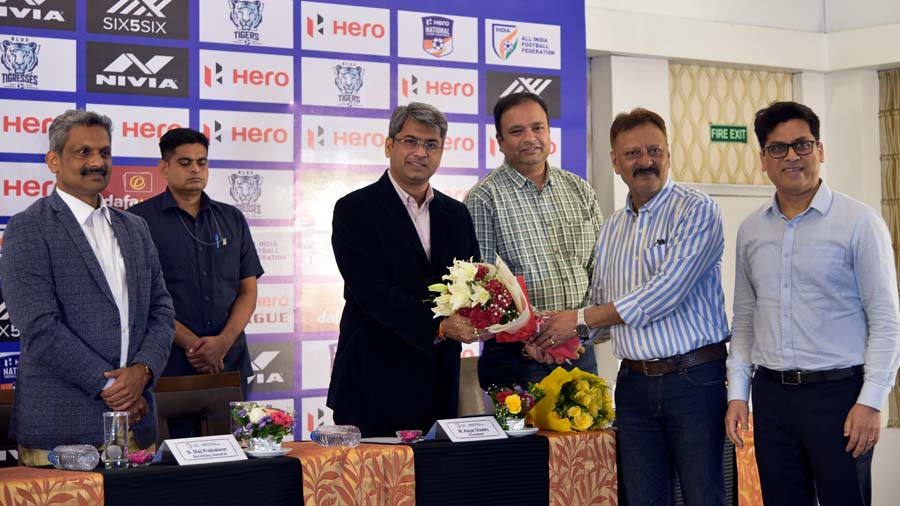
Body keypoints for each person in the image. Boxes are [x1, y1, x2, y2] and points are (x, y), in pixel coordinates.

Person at [536, 107, 731, 505]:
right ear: (614, 161)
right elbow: (604, 312)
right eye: (633, 154)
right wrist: (558, 338)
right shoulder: (611, 227)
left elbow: (665, 293)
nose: (645, 162)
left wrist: (579, 319)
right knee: (641, 499)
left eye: (654, 151)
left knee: (702, 496)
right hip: (634, 386)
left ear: (668, 153)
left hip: (693, 381)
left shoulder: (697, 210)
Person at [725, 101, 900, 506]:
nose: (792, 157)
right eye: (778, 148)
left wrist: (871, 401)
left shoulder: (859, 223)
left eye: (802, 145)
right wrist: (738, 393)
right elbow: (746, 319)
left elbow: (886, 320)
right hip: (771, 398)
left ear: (820, 150)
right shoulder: (751, 230)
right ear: (763, 159)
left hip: (839, 397)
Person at [0, 109, 174, 465]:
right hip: (61, 433)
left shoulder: (135, 228)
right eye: (83, 152)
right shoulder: (28, 228)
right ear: (54, 160)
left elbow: (162, 309)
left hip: (137, 426)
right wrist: (114, 387)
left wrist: (142, 372)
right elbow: (40, 327)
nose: (97, 162)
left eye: (104, 153)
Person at [328, 102, 481, 437]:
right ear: (389, 145)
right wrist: (440, 326)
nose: (420, 152)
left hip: (439, 382)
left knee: (436, 486)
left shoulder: (457, 215)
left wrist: (487, 316)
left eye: (430, 144)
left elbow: (471, 284)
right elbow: (371, 293)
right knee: (369, 487)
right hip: (372, 382)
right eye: (410, 141)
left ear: (441, 151)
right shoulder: (354, 210)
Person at [129, 128, 263, 438]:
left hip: (229, 365)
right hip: (166, 365)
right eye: (185, 162)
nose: (195, 170)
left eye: (202, 163)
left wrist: (222, 343)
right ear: (164, 168)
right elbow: (141, 299)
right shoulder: (138, 222)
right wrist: (194, 346)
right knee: (169, 468)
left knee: (233, 461)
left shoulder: (231, 218)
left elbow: (248, 289)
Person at [464, 91, 604, 388]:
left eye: (537, 128)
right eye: (517, 131)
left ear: (549, 133)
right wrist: (536, 338)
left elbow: (601, 269)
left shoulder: (579, 190)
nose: (530, 138)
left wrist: (578, 330)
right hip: (518, 359)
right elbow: (484, 289)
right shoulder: (484, 198)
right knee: (529, 438)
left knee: (589, 436)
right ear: (500, 141)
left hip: (580, 351)